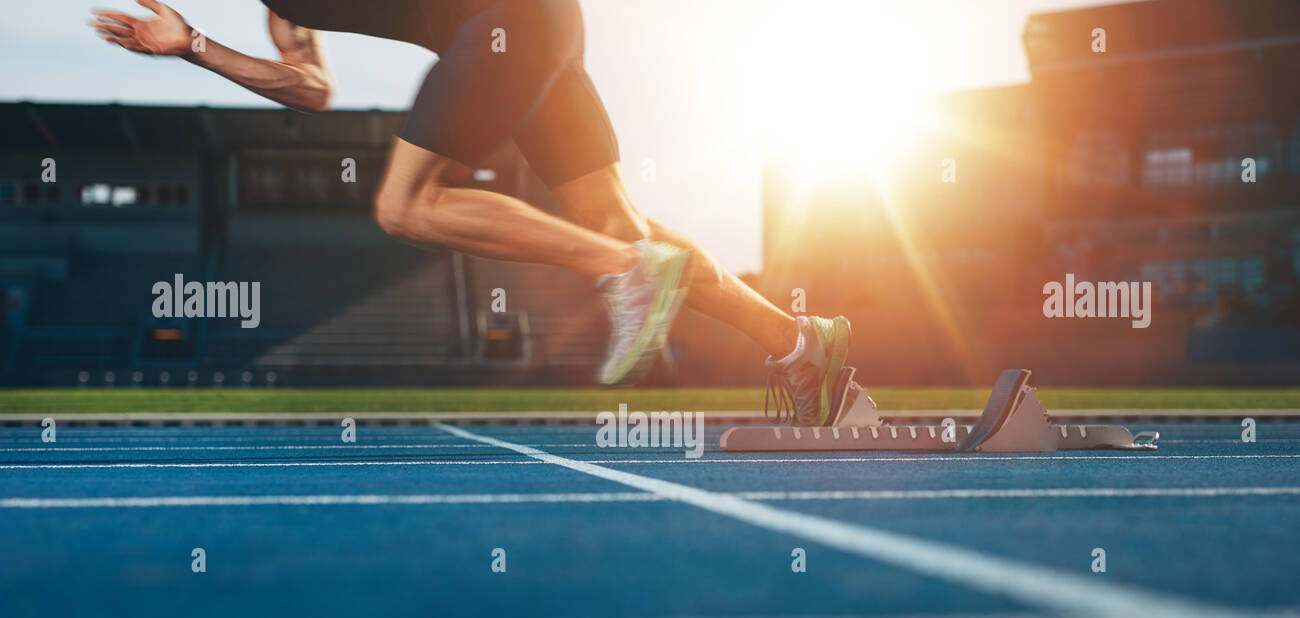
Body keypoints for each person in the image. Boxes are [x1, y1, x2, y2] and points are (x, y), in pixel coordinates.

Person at [92, 0, 851, 424]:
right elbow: (309, 87)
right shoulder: (281, 9)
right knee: (625, 224)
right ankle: (799, 340)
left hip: (508, 22)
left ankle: (623, 272)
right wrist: (193, 45)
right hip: (540, 29)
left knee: (406, 205)